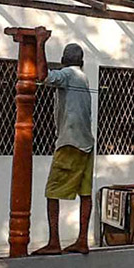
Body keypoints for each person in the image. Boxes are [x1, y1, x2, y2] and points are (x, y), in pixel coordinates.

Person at [32, 31, 95, 256]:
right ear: (82, 62)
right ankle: (81, 241)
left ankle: (54, 242)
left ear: (64, 61)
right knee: (85, 192)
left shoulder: (68, 74)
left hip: (70, 142)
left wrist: (40, 43)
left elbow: (42, 76)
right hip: (87, 142)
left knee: (52, 192)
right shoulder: (83, 76)